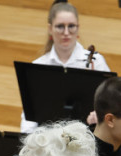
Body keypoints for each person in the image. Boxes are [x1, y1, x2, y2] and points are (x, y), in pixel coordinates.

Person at [19, 2, 109, 133]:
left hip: (86, 135)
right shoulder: (38, 66)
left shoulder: (97, 62)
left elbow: (111, 105)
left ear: (78, 28)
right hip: (48, 136)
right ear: (50, 28)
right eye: (60, 26)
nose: (66, 33)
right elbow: (29, 115)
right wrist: (26, 140)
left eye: (71, 26)